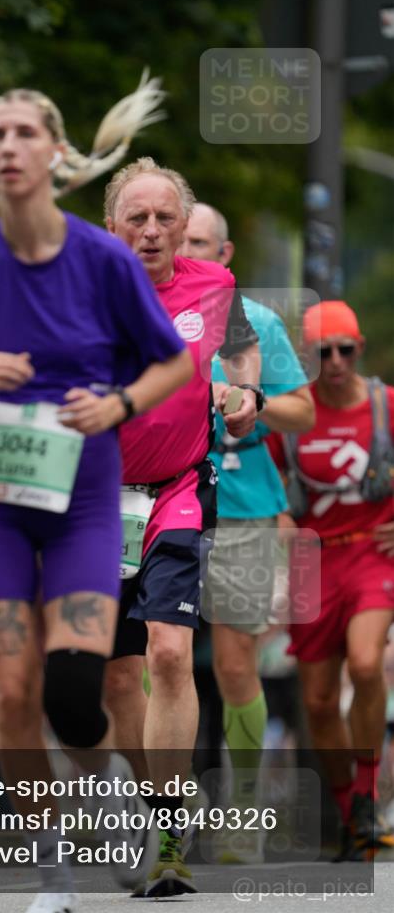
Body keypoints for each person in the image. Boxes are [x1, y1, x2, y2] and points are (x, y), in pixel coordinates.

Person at [0, 82, 193, 913]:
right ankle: (52, 874)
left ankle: (106, 792)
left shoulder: (101, 260)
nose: (6, 144)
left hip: (84, 498)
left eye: (23, 131)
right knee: (8, 690)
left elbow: (169, 362)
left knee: (75, 689)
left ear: (52, 154)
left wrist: (119, 404)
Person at [101, 158, 262, 897]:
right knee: (114, 678)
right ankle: (153, 803)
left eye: (166, 218)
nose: (152, 231)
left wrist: (245, 390)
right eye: (137, 218)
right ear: (112, 227)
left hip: (179, 489)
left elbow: (236, 352)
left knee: (169, 653)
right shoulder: (79, 292)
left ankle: (167, 835)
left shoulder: (214, 286)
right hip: (95, 498)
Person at [179, 202, 314, 862]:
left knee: (235, 665)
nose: (190, 254)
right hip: (157, 506)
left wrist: (253, 401)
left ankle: (242, 809)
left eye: (201, 243)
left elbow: (302, 410)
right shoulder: (148, 317)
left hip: (241, 511)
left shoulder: (254, 322)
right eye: (181, 243)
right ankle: (164, 807)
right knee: (157, 661)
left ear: (225, 254)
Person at [267, 300, 394, 860]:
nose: (335, 360)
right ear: (307, 357)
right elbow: (270, 488)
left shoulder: (386, 405)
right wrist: (285, 527)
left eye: (345, 349)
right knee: (317, 701)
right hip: (310, 562)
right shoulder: (294, 413)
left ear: (358, 349)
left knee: (367, 663)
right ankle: (352, 818)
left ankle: (366, 795)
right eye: (323, 352)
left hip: (371, 551)